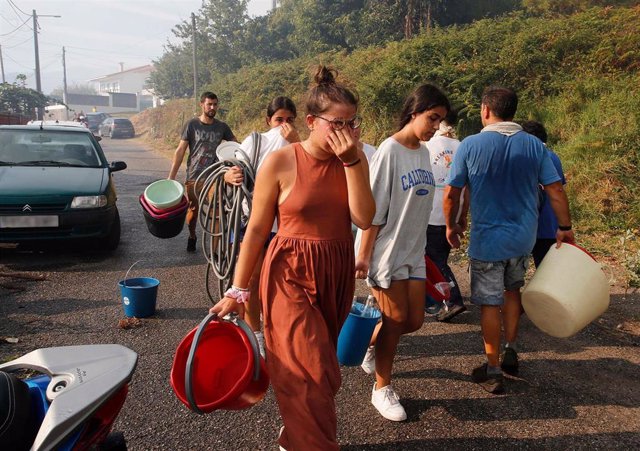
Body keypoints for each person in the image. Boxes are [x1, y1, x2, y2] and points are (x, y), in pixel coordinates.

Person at [210, 66, 375, 451]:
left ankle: (293, 439)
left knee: (322, 371)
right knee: (309, 371)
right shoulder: (282, 162)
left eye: (353, 123)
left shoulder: (356, 160)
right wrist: (238, 289)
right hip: (288, 272)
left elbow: (365, 218)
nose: (347, 132)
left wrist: (352, 162)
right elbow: (254, 230)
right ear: (313, 122)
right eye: (338, 123)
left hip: (335, 271)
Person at [444, 86, 575, 395]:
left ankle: (492, 369)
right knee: (513, 290)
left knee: (490, 302)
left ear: (486, 110)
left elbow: (452, 193)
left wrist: (452, 225)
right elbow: (555, 190)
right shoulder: (535, 146)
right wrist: (565, 227)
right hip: (522, 239)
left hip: (488, 241)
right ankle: (511, 349)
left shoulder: (470, 145)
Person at [355, 84, 450, 421]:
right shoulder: (389, 151)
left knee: (414, 320)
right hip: (387, 252)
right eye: (432, 118)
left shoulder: (423, 152)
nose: (435, 127)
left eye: (440, 121)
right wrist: (364, 257)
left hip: (414, 252)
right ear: (414, 112)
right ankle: (382, 389)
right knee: (395, 320)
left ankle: (370, 343)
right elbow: (372, 211)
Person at [225, 96, 301, 355]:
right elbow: (234, 169)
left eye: (290, 119)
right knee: (252, 281)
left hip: (289, 227)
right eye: (279, 119)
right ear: (269, 120)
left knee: (287, 283)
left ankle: (283, 333)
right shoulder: (256, 141)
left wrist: (296, 141)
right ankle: (255, 333)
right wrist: (229, 175)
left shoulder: (301, 146)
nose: (284, 125)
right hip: (255, 222)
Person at [168, 91, 237, 252]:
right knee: (193, 211)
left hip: (214, 177)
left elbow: (235, 146)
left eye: (215, 104)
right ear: (202, 105)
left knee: (216, 213)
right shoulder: (192, 125)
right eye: (209, 104)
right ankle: (192, 235)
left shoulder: (222, 127)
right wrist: (171, 177)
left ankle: (215, 252)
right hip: (194, 177)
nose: (213, 107)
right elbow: (180, 151)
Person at [424, 109, 469, 321]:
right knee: (438, 257)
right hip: (453, 212)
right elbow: (467, 188)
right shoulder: (462, 148)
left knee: (435, 261)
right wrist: (462, 215)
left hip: (431, 213)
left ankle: (452, 300)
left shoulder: (427, 147)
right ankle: (438, 299)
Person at [521, 120, 567, 268]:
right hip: (551, 224)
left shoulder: (529, 158)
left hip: (532, 225)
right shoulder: (553, 157)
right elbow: (559, 189)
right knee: (548, 270)